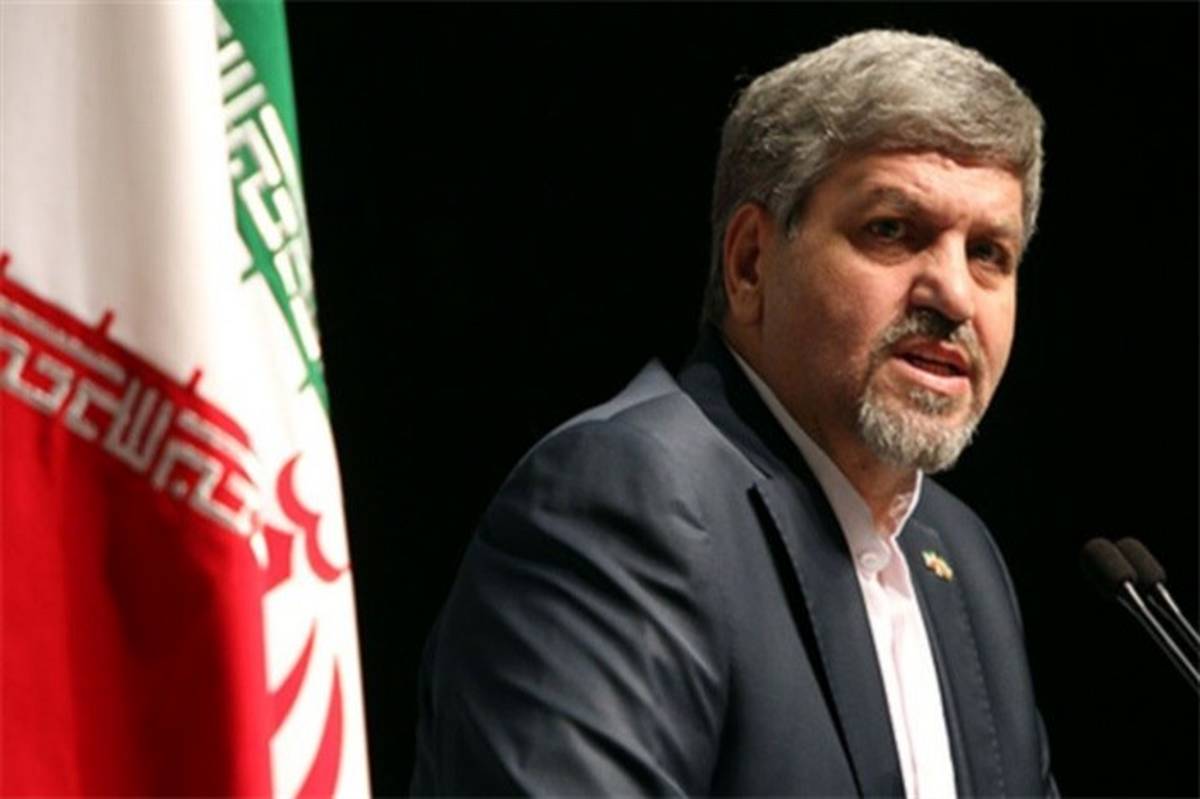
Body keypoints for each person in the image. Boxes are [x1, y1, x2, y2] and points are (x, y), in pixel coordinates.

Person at [411, 29, 1055, 797]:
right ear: (751, 262)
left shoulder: (961, 555)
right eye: (891, 230)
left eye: (989, 253)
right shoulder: (624, 502)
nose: (953, 295)